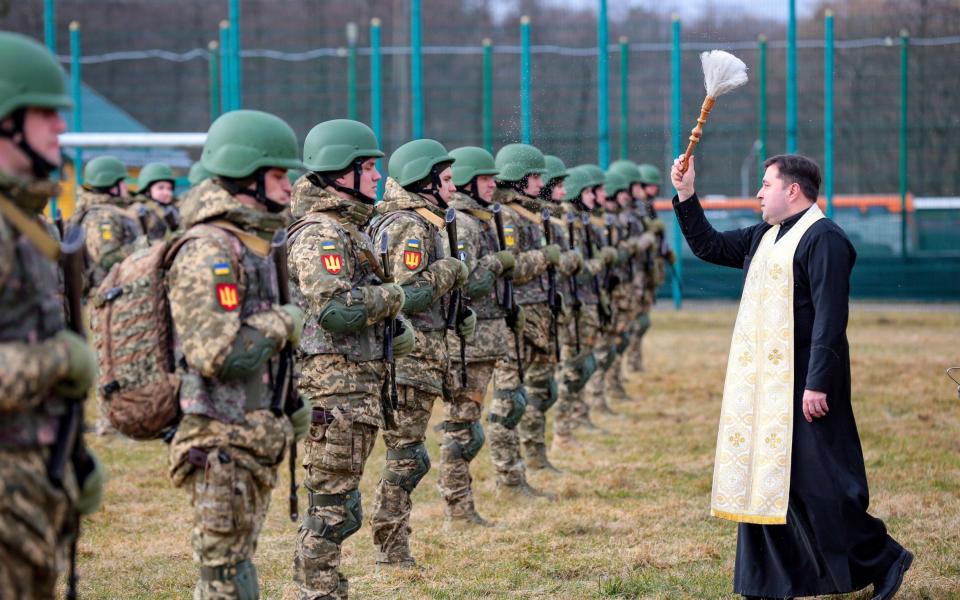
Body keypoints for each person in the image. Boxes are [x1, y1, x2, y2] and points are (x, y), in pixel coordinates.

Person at [671, 153, 912, 600]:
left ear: (792, 190)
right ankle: (766, 584)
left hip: (808, 385)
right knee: (766, 484)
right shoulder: (764, 235)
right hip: (767, 389)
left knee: (821, 487)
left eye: (766, 184)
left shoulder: (826, 239)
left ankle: (885, 557)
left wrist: (816, 382)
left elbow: (830, 318)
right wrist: (686, 194)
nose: (759, 193)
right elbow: (709, 246)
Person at [165, 109, 309, 599]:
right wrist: (284, 321)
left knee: (240, 568)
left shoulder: (253, 243)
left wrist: (285, 406)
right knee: (225, 578)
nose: (289, 186)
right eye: (277, 175)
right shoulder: (210, 250)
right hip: (220, 441)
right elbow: (218, 355)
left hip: (250, 435)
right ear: (245, 178)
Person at [288, 119, 412, 599]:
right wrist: (394, 297)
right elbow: (336, 311)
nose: (378, 177)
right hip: (333, 388)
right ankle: (316, 591)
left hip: (354, 387)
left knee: (342, 503)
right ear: (340, 173)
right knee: (330, 506)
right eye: (368, 168)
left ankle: (326, 587)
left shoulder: (346, 228)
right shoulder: (323, 236)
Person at [0, 30, 104, 598]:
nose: (61, 129)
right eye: (45, 114)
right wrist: (61, 357)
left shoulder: (20, 224)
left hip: (27, 492)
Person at [367, 138, 471, 567]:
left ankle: (393, 545)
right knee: (407, 456)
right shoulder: (411, 225)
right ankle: (391, 549)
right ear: (424, 181)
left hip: (422, 356)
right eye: (445, 179)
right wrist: (449, 271)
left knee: (409, 454)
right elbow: (405, 293)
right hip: (410, 360)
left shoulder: (423, 220)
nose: (452, 185)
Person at [437, 145, 519, 526]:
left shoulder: (482, 220)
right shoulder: (465, 225)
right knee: (462, 427)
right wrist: (494, 263)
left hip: (485, 340)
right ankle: (458, 508)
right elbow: (464, 284)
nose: (492, 185)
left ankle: (463, 506)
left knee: (469, 425)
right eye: (485, 179)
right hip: (468, 345)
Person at [489, 143, 562, 497]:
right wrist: (545, 257)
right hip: (514, 317)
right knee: (509, 400)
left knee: (538, 391)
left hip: (537, 315)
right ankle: (509, 480)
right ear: (517, 178)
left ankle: (531, 460)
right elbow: (513, 267)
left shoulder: (530, 213)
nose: (539, 182)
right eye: (533, 176)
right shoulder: (506, 216)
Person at [134, 162, 180, 241]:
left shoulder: (177, 208)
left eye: (169, 188)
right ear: (147, 190)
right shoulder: (139, 211)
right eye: (160, 188)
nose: (166, 193)